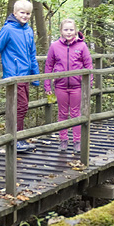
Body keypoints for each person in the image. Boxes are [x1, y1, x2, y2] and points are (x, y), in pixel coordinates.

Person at [0, 0, 41, 152]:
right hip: (13, 75)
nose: (25, 16)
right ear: (15, 13)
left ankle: (19, 138)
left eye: (28, 13)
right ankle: (15, 139)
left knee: (22, 107)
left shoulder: (28, 31)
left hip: (25, 76)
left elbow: (32, 54)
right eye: (22, 13)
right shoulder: (8, 29)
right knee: (20, 106)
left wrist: (35, 76)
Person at [43, 18, 93, 153]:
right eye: (66, 30)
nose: (69, 32)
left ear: (75, 30)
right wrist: (47, 86)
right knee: (62, 113)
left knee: (76, 113)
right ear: (61, 31)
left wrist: (89, 85)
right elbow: (48, 66)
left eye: (71, 30)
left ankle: (77, 141)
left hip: (77, 85)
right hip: (60, 85)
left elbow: (88, 66)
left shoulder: (82, 46)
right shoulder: (54, 46)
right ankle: (63, 140)